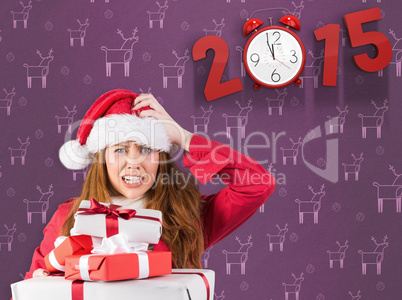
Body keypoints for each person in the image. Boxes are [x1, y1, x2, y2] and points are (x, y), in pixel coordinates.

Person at [25, 89, 276, 279]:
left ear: (161, 157)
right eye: (121, 149)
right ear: (101, 158)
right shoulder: (68, 217)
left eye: (146, 148)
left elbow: (258, 183)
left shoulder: (187, 216)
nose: (134, 162)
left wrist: (185, 137)